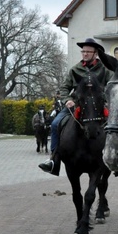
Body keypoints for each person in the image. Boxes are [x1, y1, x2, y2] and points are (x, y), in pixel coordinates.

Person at [38, 38, 113, 174]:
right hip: (76, 105)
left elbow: (112, 86)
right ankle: (54, 160)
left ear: (95, 53)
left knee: (116, 125)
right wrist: (67, 100)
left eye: (88, 52)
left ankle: (116, 161)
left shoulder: (105, 70)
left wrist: (106, 100)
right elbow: (64, 88)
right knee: (55, 124)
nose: (85, 54)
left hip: (99, 106)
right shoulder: (75, 70)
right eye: (83, 51)